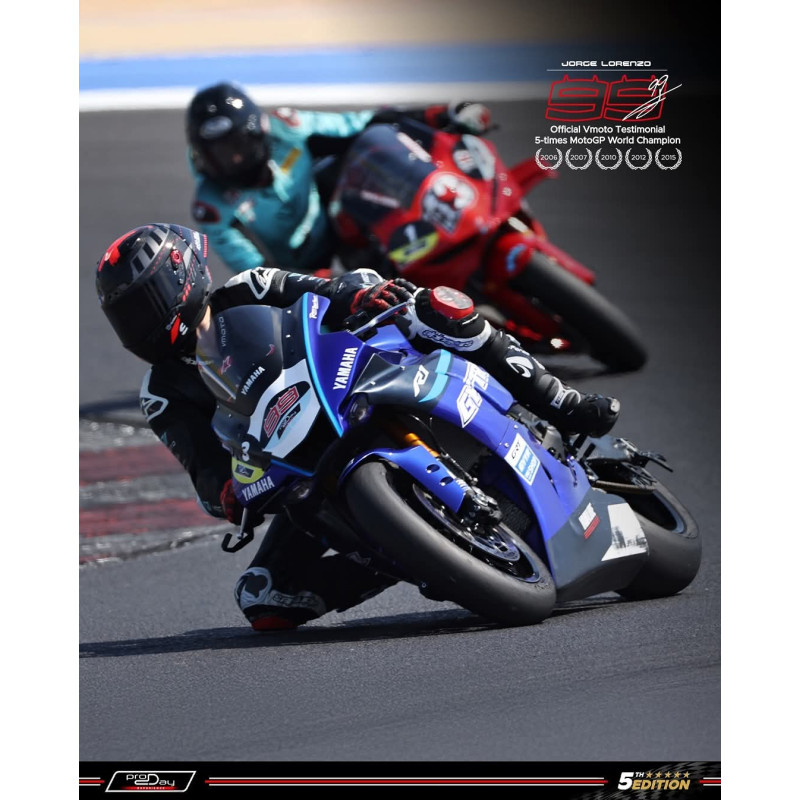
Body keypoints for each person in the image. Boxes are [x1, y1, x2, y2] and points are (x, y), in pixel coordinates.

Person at [96, 223, 620, 631]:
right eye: (126, 318)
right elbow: (204, 470)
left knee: (435, 307)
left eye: (145, 305)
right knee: (264, 598)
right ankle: (415, 557)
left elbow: (322, 290)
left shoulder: (246, 288)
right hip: (298, 464)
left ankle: (560, 401)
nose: (139, 326)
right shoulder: (160, 394)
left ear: (181, 278)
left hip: (353, 379)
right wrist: (227, 494)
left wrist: (358, 296)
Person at [185, 81, 493, 275]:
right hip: (301, 273)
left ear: (258, 133)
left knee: (368, 148)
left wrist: (437, 115)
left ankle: (440, 212)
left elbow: (361, 123)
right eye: (217, 153)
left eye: (236, 147)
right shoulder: (211, 208)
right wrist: (315, 281)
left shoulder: (287, 127)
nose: (232, 161)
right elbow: (258, 273)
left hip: (340, 223)